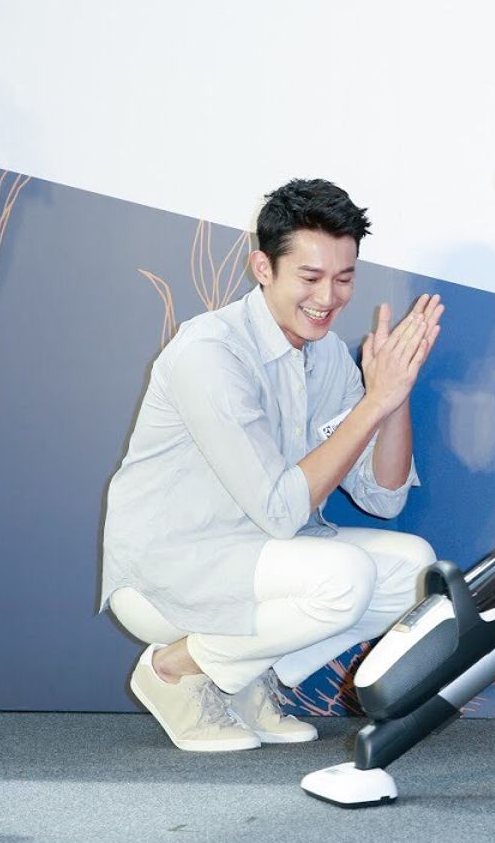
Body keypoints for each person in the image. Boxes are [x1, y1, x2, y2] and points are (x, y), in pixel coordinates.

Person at [100, 178, 443, 751]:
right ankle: (173, 671)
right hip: (171, 567)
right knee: (344, 576)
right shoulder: (210, 353)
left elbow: (384, 497)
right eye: (310, 277)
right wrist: (373, 402)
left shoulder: (327, 356)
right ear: (263, 267)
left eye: (344, 278)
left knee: (413, 568)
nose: (328, 297)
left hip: (259, 559)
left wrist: (395, 393)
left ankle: (241, 678)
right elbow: (281, 511)